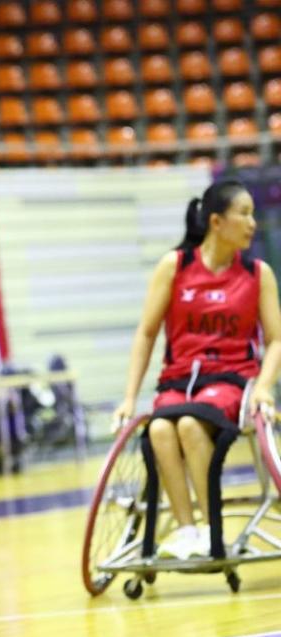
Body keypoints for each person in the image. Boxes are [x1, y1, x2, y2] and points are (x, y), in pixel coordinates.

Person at [115, 179, 281, 559]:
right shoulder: (175, 266)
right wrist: (128, 398)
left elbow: (276, 340)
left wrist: (264, 386)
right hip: (177, 379)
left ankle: (212, 528)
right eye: (245, 214)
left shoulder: (258, 274)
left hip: (229, 379)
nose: (252, 223)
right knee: (159, 427)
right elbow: (146, 333)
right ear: (217, 222)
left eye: (253, 214)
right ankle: (188, 531)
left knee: (189, 424)